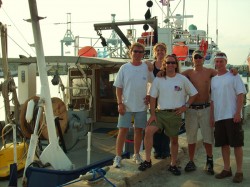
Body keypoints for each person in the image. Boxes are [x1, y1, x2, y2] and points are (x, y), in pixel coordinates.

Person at [138, 54, 198, 176]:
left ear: (176, 65)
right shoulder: (159, 79)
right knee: (148, 131)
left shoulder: (182, 79)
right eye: (168, 63)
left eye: (173, 62)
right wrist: (153, 114)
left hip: (175, 114)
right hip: (160, 113)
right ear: (165, 65)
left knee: (174, 141)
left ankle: (173, 164)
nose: (170, 65)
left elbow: (194, 94)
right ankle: (147, 160)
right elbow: (153, 98)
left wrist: (185, 106)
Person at [113, 42, 154, 168]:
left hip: (141, 106)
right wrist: (119, 103)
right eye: (135, 51)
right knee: (122, 131)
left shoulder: (146, 67)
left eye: (140, 52)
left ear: (143, 54)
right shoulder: (124, 68)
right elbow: (118, 87)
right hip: (126, 105)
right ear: (130, 52)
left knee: (138, 131)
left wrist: (148, 95)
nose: (137, 54)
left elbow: (153, 83)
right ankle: (118, 157)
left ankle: (136, 154)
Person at [210, 52, 247, 183]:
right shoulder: (213, 80)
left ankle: (239, 171)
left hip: (232, 116)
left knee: (237, 144)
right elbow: (213, 100)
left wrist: (238, 113)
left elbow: (240, 95)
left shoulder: (233, 76)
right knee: (223, 144)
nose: (219, 64)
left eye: (221, 61)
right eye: (217, 61)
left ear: (226, 62)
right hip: (219, 117)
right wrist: (212, 117)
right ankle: (227, 169)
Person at [181, 50, 218, 175]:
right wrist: (160, 73)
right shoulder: (188, 73)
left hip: (206, 108)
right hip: (191, 110)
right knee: (191, 138)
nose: (197, 59)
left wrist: (233, 72)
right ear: (192, 59)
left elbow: (224, 75)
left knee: (208, 137)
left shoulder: (210, 72)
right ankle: (191, 161)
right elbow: (173, 75)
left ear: (203, 59)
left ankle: (209, 160)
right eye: (195, 57)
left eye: (199, 57)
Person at [148, 43, 170, 159]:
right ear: (154, 52)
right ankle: (157, 150)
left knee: (165, 125)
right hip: (154, 99)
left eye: (162, 50)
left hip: (166, 99)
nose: (160, 52)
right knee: (155, 124)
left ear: (165, 52)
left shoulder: (168, 65)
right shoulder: (150, 65)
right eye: (158, 50)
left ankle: (166, 149)